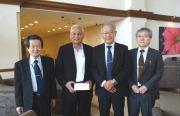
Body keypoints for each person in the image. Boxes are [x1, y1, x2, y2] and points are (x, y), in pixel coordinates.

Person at [55, 24, 93, 116]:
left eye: (79, 34)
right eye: (74, 34)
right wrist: (65, 83)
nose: (76, 36)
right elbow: (58, 71)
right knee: (68, 113)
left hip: (85, 88)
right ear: (70, 35)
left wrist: (92, 81)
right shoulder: (63, 49)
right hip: (69, 88)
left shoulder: (90, 50)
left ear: (83, 35)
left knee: (85, 113)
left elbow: (94, 68)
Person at [92, 22, 129, 116]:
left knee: (119, 113)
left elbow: (127, 69)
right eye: (105, 33)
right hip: (102, 90)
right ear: (101, 35)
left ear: (115, 33)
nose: (108, 35)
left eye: (110, 32)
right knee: (103, 113)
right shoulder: (95, 50)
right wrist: (104, 83)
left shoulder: (123, 49)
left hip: (118, 89)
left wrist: (113, 82)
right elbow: (93, 69)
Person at [14, 35, 57, 116]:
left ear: (41, 47)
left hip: (45, 98)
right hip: (29, 100)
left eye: (38, 46)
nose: (36, 49)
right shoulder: (20, 65)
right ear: (27, 48)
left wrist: (53, 97)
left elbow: (52, 81)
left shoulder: (49, 61)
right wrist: (18, 104)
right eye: (33, 46)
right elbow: (18, 86)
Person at [128, 27, 164, 116]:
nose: (142, 38)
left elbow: (159, 72)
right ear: (136, 38)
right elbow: (126, 72)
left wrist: (146, 86)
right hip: (133, 92)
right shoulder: (129, 53)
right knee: (132, 113)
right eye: (139, 36)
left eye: (145, 36)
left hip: (148, 92)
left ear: (150, 38)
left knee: (147, 114)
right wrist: (132, 85)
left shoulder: (156, 54)